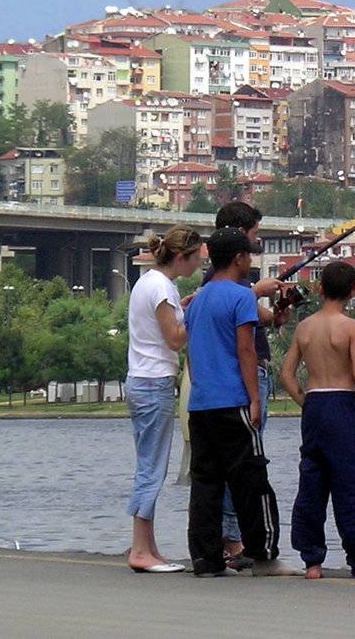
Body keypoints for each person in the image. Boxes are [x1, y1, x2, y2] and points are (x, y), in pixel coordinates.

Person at [183, 227, 288, 576]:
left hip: (201, 405)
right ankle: (263, 555)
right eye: (249, 255)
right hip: (233, 402)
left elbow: (192, 354)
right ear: (240, 258)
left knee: (206, 484)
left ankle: (205, 558)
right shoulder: (242, 297)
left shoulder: (197, 300)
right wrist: (255, 400)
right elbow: (246, 350)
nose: (251, 261)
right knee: (251, 480)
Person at [281, 261, 355, 580]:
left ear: (321, 288)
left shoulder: (304, 328)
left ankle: (312, 561)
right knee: (351, 482)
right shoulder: (351, 327)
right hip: (342, 402)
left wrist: (305, 400)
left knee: (312, 481)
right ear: (353, 292)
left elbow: (286, 374)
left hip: (315, 404)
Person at [125, 225, 203, 574]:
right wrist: (199, 316)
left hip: (142, 379)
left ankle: (147, 546)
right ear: (181, 257)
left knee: (149, 464)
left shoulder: (151, 282)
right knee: (152, 467)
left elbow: (164, 328)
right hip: (153, 382)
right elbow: (174, 339)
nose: (200, 262)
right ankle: (141, 550)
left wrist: (183, 308)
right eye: (196, 257)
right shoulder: (160, 287)